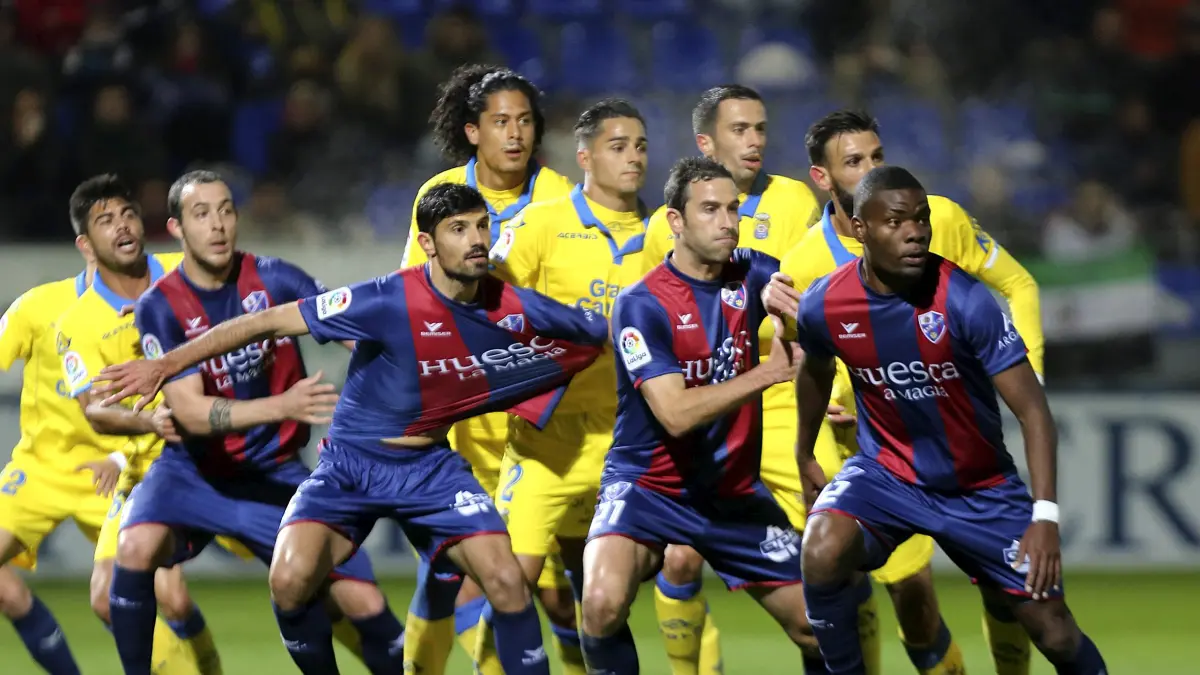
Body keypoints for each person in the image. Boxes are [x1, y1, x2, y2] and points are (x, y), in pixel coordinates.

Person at [95, 182, 611, 675]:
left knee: (508, 582)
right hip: (351, 466)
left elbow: (597, 332)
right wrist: (167, 365)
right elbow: (266, 322)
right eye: (459, 229)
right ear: (428, 244)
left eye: (481, 226)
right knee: (289, 581)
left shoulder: (509, 304)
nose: (476, 239)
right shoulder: (386, 299)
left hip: (429, 469)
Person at [780, 165, 1107, 675]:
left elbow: (1034, 411)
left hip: (978, 489)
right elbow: (815, 371)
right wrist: (804, 452)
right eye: (896, 222)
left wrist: (1044, 516)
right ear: (860, 229)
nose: (914, 232)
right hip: (887, 477)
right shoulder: (825, 302)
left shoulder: (965, 299)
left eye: (921, 218)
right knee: (821, 548)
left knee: (1056, 633)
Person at [87, 170, 404, 675]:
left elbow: (355, 333)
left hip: (274, 473)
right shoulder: (160, 307)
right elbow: (191, 413)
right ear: (176, 228)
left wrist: (401, 373)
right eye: (201, 214)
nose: (218, 225)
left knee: (362, 604)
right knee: (135, 547)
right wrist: (282, 406)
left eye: (226, 210)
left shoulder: (277, 279)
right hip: (194, 472)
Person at [579, 157, 812, 674]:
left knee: (822, 626)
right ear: (676, 221)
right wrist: (767, 373)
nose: (727, 222)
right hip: (648, 487)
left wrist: (790, 296)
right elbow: (675, 414)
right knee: (600, 604)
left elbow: (818, 294)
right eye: (710, 210)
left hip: (730, 493)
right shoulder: (642, 305)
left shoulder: (754, 273)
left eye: (733, 209)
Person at [638, 84, 828, 675]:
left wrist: (834, 387)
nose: (754, 140)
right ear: (706, 142)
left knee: (828, 563)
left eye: (760, 128)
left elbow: (818, 303)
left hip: (787, 402)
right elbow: (654, 323)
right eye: (739, 129)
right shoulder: (661, 228)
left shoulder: (796, 201)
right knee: (679, 558)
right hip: (708, 414)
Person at [402, 63, 577, 675]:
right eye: (501, 122)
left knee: (555, 596)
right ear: (472, 131)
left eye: (525, 121)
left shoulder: (563, 197)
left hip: (543, 427)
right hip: (468, 429)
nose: (515, 133)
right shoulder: (441, 194)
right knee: (464, 576)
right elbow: (415, 298)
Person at [483, 98, 648, 672]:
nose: (634, 158)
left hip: (625, 444)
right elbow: (486, 302)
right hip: (545, 444)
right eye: (618, 146)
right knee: (509, 588)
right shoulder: (542, 223)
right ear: (585, 156)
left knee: (606, 600)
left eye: (640, 146)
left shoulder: (662, 234)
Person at [54, 174, 224, 674]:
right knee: (115, 594)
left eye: (128, 214)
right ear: (86, 245)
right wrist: (150, 420)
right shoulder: (76, 325)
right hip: (151, 469)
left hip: (228, 450)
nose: (123, 226)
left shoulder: (183, 272)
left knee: (310, 572)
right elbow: (94, 409)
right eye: (106, 221)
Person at [0, 259, 100, 675]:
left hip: (112, 471)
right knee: (8, 593)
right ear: (84, 244)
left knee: (164, 597)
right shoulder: (38, 306)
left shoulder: (146, 309)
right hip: (41, 471)